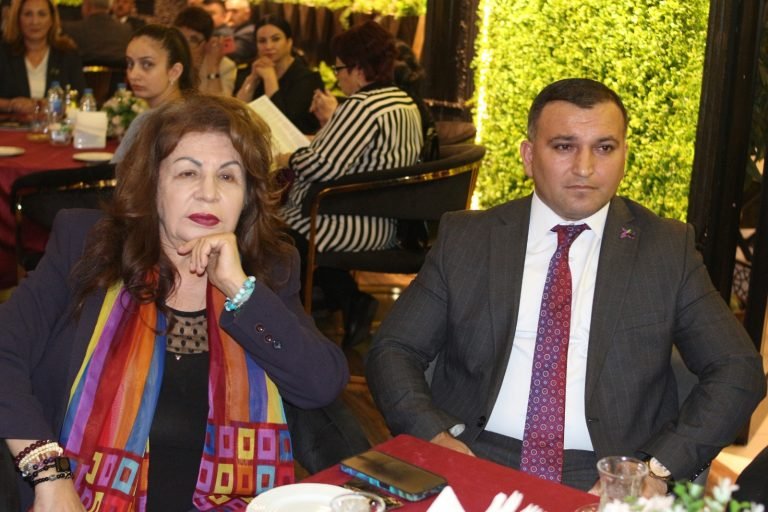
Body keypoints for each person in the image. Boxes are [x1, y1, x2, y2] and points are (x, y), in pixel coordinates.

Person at [366, 78, 766, 493]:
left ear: (624, 155)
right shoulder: (468, 238)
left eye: (604, 148)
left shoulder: (665, 248)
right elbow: (394, 349)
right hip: (473, 452)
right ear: (528, 156)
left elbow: (738, 369)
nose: (585, 167)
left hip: (607, 472)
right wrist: (434, 438)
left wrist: (655, 471)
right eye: (564, 146)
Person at [0, 94, 351, 511]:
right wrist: (48, 474)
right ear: (153, 186)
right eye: (188, 172)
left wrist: (239, 289)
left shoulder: (269, 269)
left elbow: (320, 384)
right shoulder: (88, 246)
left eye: (228, 176)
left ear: (248, 197)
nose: (208, 194)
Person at [279, 20, 423, 348]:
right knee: (287, 226)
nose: (337, 77)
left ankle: (301, 321)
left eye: (339, 68)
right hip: (384, 220)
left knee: (275, 232)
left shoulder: (362, 106)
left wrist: (288, 158)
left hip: (354, 222)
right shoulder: (402, 101)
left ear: (358, 69)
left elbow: (322, 166)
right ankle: (343, 300)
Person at [112, 24, 196, 162]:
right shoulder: (191, 111)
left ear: (174, 72)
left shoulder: (154, 121)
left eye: (147, 64)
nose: (133, 75)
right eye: (130, 64)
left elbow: (118, 172)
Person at [235, 14, 323, 134]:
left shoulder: (308, 79)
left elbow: (282, 128)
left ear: (289, 42)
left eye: (275, 39)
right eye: (262, 41)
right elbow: (236, 114)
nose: (268, 46)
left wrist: (270, 79)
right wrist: (252, 79)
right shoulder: (250, 72)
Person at [0, 0, 85, 115]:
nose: (35, 21)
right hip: (11, 124)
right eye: (28, 14)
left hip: (56, 124)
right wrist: (10, 104)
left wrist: (56, 104)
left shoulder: (67, 54)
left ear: (52, 20)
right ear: (18, 19)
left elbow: (81, 98)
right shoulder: (3, 53)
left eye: (42, 14)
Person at [174, 6, 236, 96]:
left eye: (193, 40)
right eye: (180, 37)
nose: (185, 44)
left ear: (207, 44)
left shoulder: (225, 66)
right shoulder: (167, 58)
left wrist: (213, 68)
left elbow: (220, 104)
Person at [62, 0, 132, 66]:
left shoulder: (70, 30)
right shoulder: (125, 30)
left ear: (87, 6)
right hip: (120, 75)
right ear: (109, 7)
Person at [223, 0, 254, 66]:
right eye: (227, 11)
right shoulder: (232, 30)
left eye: (234, 11)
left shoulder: (249, 32)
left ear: (247, 14)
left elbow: (230, 51)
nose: (229, 16)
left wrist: (224, 27)